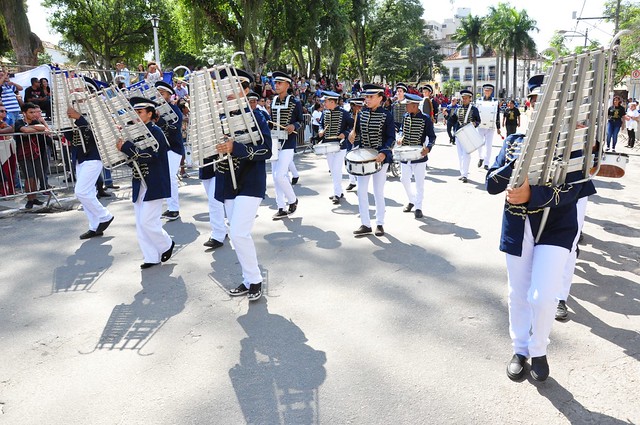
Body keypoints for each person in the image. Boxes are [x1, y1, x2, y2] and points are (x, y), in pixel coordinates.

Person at [486, 73, 588, 382]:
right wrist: (518, 162)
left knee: (543, 297)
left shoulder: (573, 144)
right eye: (535, 101)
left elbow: (576, 189)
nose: (541, 106)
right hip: (518, 225)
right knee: (518, 293)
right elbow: (491, 183)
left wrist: (534, 194)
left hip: (557, 226)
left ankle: (539, 349)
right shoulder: (514, 142)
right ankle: (520, 349)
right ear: (530, 105)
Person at [215, 71, 273, 302]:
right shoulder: (217, 118)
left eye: (235, 87)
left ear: (246, 90)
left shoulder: (257, 116)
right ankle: (248, 279)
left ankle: (255, 279)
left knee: (238, 232)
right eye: (226, 88)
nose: (229, 92)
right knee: (237, 234)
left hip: (251, 181)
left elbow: (266, 150)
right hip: (228, 181)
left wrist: (235, 148)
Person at [116, 97, 174, 269]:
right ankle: (151, 257)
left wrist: (127, 148)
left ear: (149, 114)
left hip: (155, 181)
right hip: (139, 181)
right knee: (141, 223)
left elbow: (150, 156)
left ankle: (166, 244)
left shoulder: (156, 132)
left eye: (140, 112)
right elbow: (132, 159)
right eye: (134, 112)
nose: (136, 115)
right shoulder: (134, 132)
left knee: (147, 221)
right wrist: (123, 149)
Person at [64, 79, 115, 239]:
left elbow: (97, 134)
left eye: (80, 91)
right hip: (79, 156)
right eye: (74, 92)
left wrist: (79, 118)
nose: (76, 95)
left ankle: (105, 216)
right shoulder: (72, 111)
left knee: (81, 192)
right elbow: (71, 137)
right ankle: (94, 226)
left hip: (94, 155)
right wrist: (67, 123)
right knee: (88, 193)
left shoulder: (97, 110)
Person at [347, 84, 394, 236]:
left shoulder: (387, 115)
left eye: (371, 97)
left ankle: (380, 223)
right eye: (366, 97)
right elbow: (356, 134)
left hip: (380, 157)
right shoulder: (361, 114)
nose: (367, 99)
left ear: (380, 98)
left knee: (378, 191)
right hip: (364, 158)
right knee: (361, 191)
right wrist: (352, 135)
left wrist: (384, 152)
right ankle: (365, 224)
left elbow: (391, 138)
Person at [270, 71, 303, 220]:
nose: (276, 85)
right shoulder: (273, 101)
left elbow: (301, 121)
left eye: (279, 83)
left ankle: (293, 200)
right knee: (275, 177)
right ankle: (281, 207)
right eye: (275, 83)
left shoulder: (295, 102)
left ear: (287, 85)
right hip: (274, 142)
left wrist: (294, 126)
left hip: (288, 143)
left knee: (280, 175)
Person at [397, 93, 436, 219]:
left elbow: (432, 137)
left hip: (419, 155)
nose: (406, 107)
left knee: (419, 183)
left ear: (414, 105)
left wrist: (428, 148)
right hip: (405, 153)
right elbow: (402, 129)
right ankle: (412, 200)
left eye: (407, 105)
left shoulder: (425, 119)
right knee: (404, 179)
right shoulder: (405, 116)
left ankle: (418, 207)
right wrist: (401, 136)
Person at [155, 81, 184, 221]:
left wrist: (159, 120)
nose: (159, 95)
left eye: (162, 93)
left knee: (170, 176)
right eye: (158, 93)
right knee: (164, 177)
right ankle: (170, 207)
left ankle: (174, 209)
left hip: (174, 147)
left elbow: (174, 128)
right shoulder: (154, 109)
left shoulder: (175, 109)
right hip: (161, 149)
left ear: (169, 95)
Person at [317, 90, 352, 204]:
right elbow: (321, 125)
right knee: (333, 170)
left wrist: (345, 134)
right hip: (328, 145)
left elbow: (352, 127)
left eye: (326, 101)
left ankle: (336, 193)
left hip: (340, 145)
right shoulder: (325, 113)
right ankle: (339, 191)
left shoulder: (344, 113)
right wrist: (321, 131)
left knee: (336, 169)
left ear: (332, 102)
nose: (324, 104)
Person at [13, 103, 46, 209]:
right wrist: (31, 128)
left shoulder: (35, 121)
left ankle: (34, 197)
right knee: (29, 176)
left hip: (35, 153)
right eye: (31, 112)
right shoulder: (19, 122)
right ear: (24, 113)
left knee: (35, 176)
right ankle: (30, 199)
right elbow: (24, 130)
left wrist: (30, 127)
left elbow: (42, 127)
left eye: (34, 112)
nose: (33, 114)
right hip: (23, 154)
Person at [455, 89, 481, 183]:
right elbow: (453, 119)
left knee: (466, 154)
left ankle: (465, 174)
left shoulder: (474, 109)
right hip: (459, 133)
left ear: (470, 99)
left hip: (468, 134)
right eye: (463, 98)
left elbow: (478, 120)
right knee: (460, 155)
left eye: (466, 98)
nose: (464, 100)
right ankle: (462, 173)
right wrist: (446, 116)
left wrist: (474, 124)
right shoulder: (458, 108)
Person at [475, 84, 502, 170]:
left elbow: (497, 115)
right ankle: (481, 157)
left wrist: (498, 127)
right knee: (479, 144)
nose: (487, 92)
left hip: (491, 126)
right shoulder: (478, 101)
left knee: (488, 146)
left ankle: (486, 163)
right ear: (483, 91)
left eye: (489, 90)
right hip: (480, 126)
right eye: (486, 90)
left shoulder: (495, 102)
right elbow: (475, 113)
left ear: (491, 91)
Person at [345, 97, 364, 192]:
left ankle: (360, 183)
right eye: (357, 106)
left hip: (359, 142)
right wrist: (348, 133)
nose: (359, 108)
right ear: (352, 106)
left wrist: (356, 132)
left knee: (358, 163)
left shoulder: (363, 116)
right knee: (348, 162)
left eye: (361, 106)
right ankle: (352, 181)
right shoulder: (347, 115)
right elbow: (344, 127)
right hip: (348, 142)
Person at [0, 105, 16, 196]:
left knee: (11, 170)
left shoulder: (3, 121)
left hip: (8, 146)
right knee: (4, 171)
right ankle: (4, 191)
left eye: (5, 111)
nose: (4, 113)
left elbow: (11, 129)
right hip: (2, 148)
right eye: (1, 111)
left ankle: (11, 190)